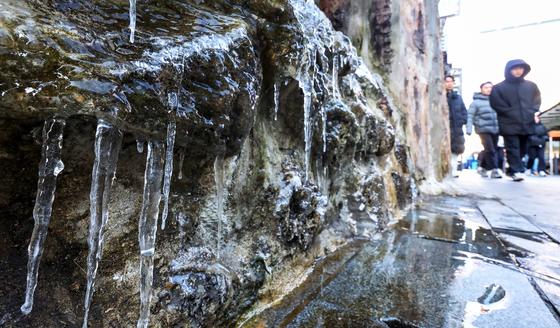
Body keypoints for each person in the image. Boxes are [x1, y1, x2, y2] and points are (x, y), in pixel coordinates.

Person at [489, 59, 541, 182]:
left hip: (527, 122)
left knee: (524, 148)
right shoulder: (498, 87)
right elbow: (496, 103)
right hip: (508, 123)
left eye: (521, 68)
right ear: (509, 70)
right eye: (515, 68)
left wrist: (533, 111)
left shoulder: (531, 86)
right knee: (513, 147)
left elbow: (537, 100)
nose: (518, 71)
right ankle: (516, 171)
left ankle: (512, 169)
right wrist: (510, 112)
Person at [466, 81, 502, 178]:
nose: (489, 89)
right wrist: (468, 128)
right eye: (486, 87)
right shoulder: (476, 103)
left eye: (490, 87)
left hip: (496, 129)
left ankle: (482, 167)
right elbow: (470, 116)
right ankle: (494, 170)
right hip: (483, 129)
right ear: (481, 89)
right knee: (490, 149)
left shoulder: (497, 101)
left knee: (492, 149)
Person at [445, 75, 468, 177]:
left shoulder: (458, 98)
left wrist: (462, 121)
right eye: (446, 81)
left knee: (454, 151)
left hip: (456, 128)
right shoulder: (438, 96)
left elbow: (464, 111)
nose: (449, 83)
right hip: (444, 128)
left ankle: (453, 170)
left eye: (451, 81)